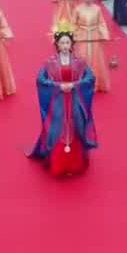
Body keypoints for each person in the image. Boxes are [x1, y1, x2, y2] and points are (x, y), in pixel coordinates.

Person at [29, 20, 98, 177]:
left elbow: (90, 77)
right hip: (58, 102)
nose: (65, 46)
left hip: (75, 101)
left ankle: (74, 164)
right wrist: (58, 86)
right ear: (57, 44)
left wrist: (75, 84)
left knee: (77, 126)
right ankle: (58, 164)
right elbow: (40, 80)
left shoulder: (79, 62)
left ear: (72, 44)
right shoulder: (50, 63)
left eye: (67, 42)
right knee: (56, 129)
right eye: (62, 43)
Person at [72, 0, 112, 93]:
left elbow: (101, 23)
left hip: (94, 37)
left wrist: (104, 35)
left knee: (96, 60)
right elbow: (74, 24)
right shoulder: (78, 9)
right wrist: (75, 35)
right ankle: (82, 83)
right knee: (82, 58)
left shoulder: (97, 9)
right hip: (83, 37)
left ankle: (96, 83)